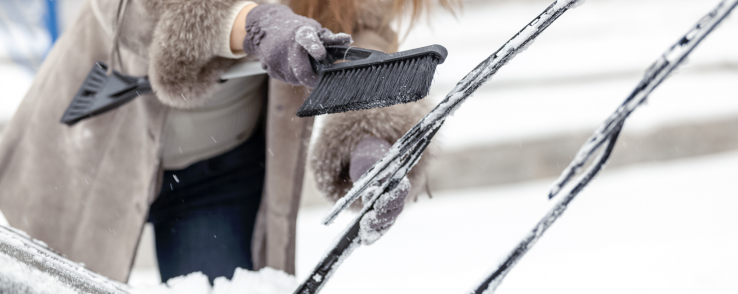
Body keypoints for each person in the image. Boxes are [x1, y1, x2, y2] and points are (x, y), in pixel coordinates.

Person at [0, 0, 455, 283]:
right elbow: (130, 13)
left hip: (220, 169)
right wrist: (251, 23)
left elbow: (363, 34)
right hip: (89, 151)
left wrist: (371, 138)